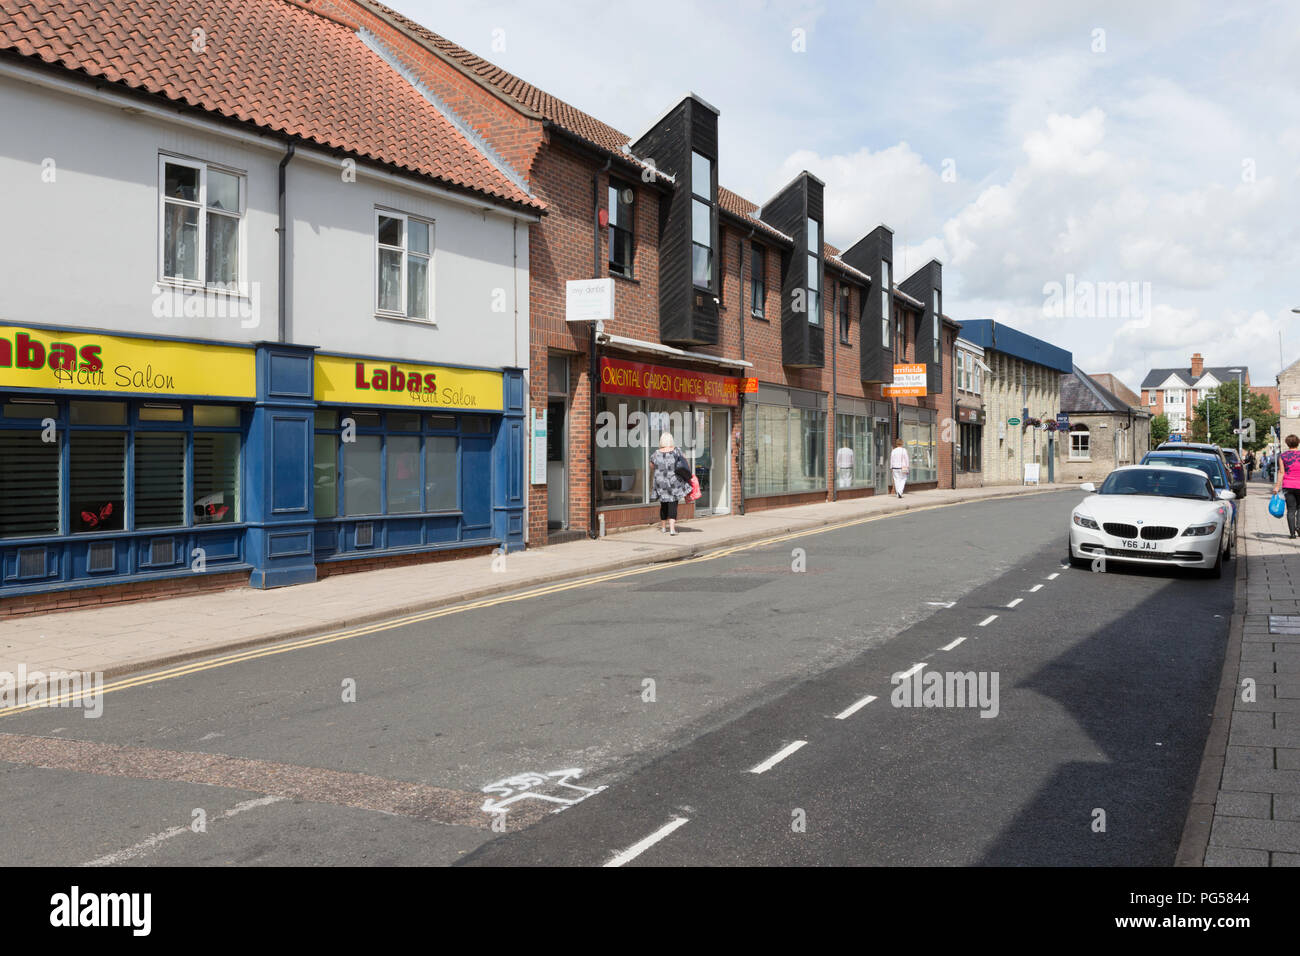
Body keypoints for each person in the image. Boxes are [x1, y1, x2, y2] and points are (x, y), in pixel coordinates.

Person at [650, 432, 690, 535]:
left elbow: (652, 466)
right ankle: (672, 529)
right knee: (673, 504)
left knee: (663, 504)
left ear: (661, 441)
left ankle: (663, 528)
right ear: (671, 440)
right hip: (673, 481)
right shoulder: (677, 451)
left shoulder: (656, 453)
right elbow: (685, 463)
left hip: (660, 482)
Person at [1272, 435, 1300, 540]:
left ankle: (1292, 534)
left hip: (1288, 486)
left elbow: (1281, 472)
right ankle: (1299, 527)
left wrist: (1276, 487)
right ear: (1298, 443)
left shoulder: (1283, 456)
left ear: (1287, 444)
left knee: (1291, 509)